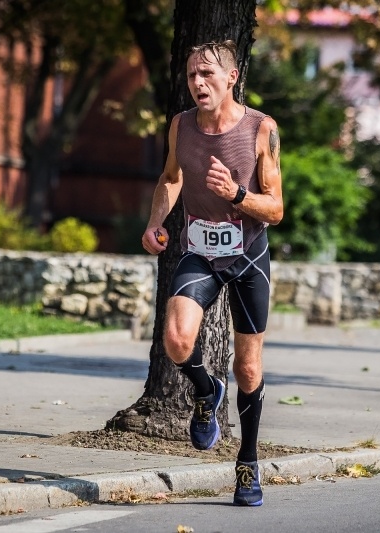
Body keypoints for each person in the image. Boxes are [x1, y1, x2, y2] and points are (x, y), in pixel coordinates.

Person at [141, 40, 283, 506]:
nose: (197, 83)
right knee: (177, 340)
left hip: (248, 257)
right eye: (190, 76)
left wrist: (237, 195)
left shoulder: (262, 129)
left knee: (248, 367)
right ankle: (206, 391)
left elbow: (276, 208)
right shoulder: (180, 126)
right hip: (199, 251)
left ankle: (247, 463)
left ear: (232, 77)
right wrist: (156, 222)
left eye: (207, 75)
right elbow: (171, 177)